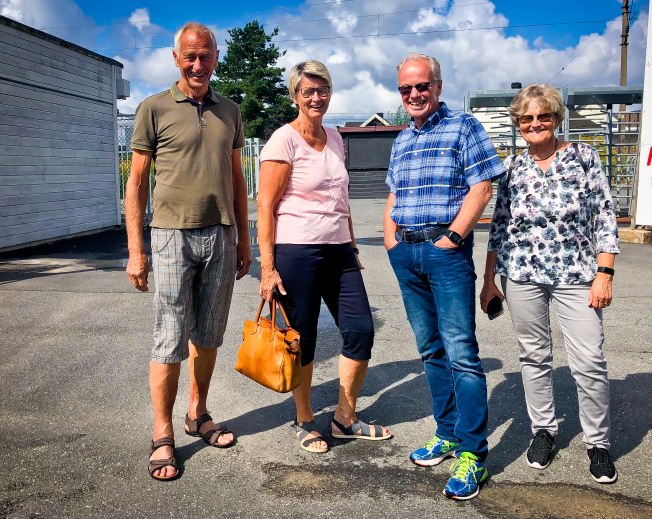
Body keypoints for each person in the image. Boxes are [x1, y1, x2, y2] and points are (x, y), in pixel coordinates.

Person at [125, 22, 252, 481]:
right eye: (190, 56)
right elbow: (136, 183)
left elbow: (237, 179)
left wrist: (244, 238)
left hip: (220, 234)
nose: (198, 65)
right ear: (176, 58)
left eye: (206, 56)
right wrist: (135, 250)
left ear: (216, 57)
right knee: (169, 336)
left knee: (208, 334)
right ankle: (163, 433)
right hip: (170, 235)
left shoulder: (230, 111)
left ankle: (197, 414)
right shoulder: (153, 108)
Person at [480, 83, 620, 484]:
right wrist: (490, 279)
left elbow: (605, 218)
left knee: (589, 361)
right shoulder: (513, 167)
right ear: (518, 123)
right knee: (533, 356)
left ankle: (598, 443)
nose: (535, 123)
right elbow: (500, 226)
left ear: (556, 118)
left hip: (577, 274)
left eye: (543, 116)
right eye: (527, 118)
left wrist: (604, 274)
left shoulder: (583, 157)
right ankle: (543, 430)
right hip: (522, 274)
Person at [384, 53, 506, 500]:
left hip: (444, 252)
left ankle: (474, 453)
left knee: (461, 353)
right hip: (407, 253)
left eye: (422, 86)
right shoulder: (401, 138)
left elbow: (482, 185)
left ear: (437, 85)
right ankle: (447, 432)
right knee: (430, 348)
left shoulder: (464, 127)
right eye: (405, 89)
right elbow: (395, 193)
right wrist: (391, 241)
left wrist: (454, 237)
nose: (414, 95)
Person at [257, 60, 392, 455]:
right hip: (296, 251)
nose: (316, 97)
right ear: (295, 96)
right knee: (304, 339)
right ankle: (304, 418)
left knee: (360, 329)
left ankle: (345, 416)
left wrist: (350, 243)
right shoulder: (283, 140)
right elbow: (265, 206)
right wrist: (267, 268)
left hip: (339, 252)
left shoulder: (335, 137)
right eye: (308, 91)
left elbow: (339, 196)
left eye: (322, 90)